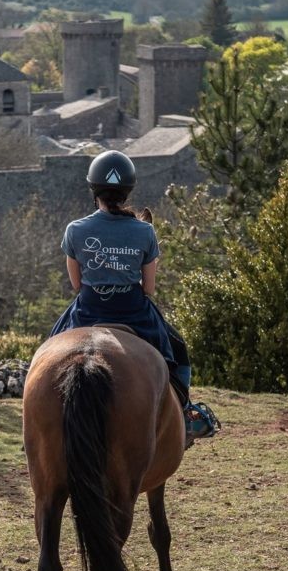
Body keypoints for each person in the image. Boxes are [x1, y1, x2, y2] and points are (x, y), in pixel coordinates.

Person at [50, 149, 214, 440]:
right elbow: (148, 288)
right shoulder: (144, 231)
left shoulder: (75, 230)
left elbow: (76, 285)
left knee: (49, 351)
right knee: (178, 351)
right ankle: (186, 411)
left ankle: (41, 422)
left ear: (94, 190)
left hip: (88, 310)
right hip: (134, 313)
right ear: (127, 193)